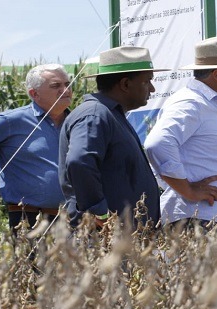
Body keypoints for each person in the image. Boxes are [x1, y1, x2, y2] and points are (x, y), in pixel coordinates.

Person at [144, 36, 217, 229]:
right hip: (201, 220)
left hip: (211, 219)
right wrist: (188, 190)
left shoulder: (207, 104)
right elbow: (157, 144)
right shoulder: (190, 103)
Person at [59, 46, 165, 228]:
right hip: (106, 239)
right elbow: (80, 161)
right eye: (147, 81)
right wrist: (98, 212)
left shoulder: (110, 115)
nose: (152, 89)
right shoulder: (94, 115)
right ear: (125, 84)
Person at [0, 64, 71, 233]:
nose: (65, 90)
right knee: (33, 261)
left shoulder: (77, 121)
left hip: (76, 220)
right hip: (28, 220)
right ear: (34, 94)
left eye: (67, 84)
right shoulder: (10, 121)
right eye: (56, 86)